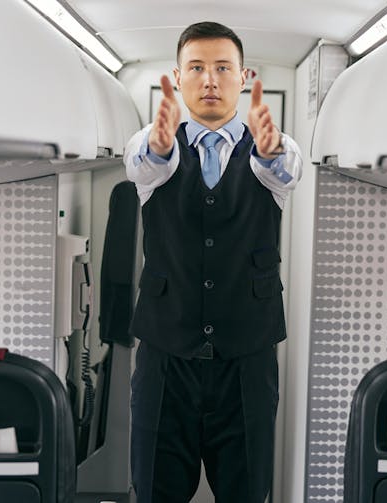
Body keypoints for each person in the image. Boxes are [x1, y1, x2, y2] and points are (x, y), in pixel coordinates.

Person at [123, 21, 302, 503]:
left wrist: (272, 149)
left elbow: (284, 168)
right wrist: (161, 144)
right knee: (155, 491)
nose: (209, 80)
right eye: (197, 68)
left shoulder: (274, 147)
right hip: (166, 358)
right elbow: (145, 163)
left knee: (247, 492)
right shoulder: (150, 144)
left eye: (222, 68)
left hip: (246, 361)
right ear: (177, 78)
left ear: (243, 78)